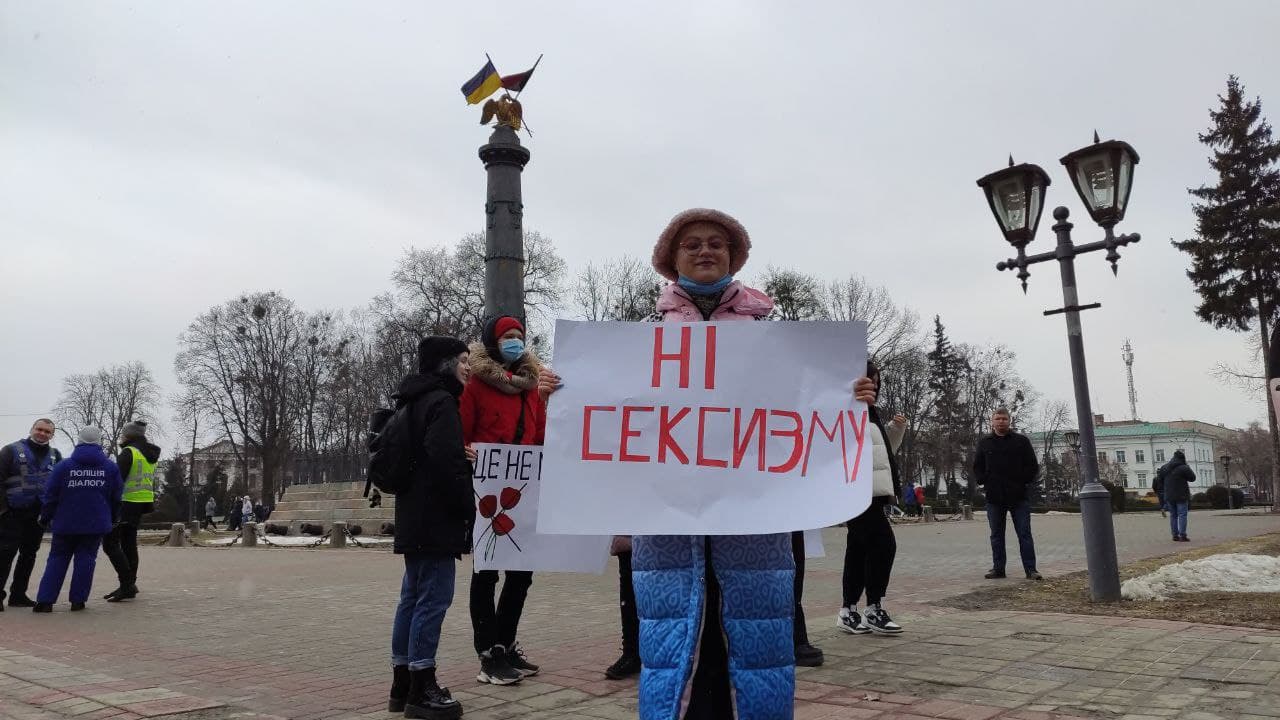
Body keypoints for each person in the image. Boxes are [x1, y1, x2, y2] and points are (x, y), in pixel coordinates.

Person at [631, 208, 878, 719]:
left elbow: (809, 399)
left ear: (733, 255)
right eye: (692, 243)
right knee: (675, 650)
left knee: (754, 647)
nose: (705, 251)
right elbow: (612, 411)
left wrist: (849, 393)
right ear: (670, 260)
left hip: (755, 525)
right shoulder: (641, 335)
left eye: (716, 243)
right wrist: (561, 394)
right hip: (670, 525)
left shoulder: (771, 330)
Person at [460, 315, 560, 686]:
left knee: (522, 573)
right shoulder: (475, 385)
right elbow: (462, 432)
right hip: (486, 491)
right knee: (486, 572)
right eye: (508, 337)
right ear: (493, 343)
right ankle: (488, 654)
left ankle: (505, 643)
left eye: (519, 335)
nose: (515, 341)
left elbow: (538, 436)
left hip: (522, 489)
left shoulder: (531, 388)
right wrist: (465, 451)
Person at [388, 336, 475, 719]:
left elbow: (427, 454)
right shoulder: (442, 402)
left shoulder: (411, 400)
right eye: (462, 359)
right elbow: (442, 463)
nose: (468, 366)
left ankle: (402, 680)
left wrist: (457, 452)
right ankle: (423, 685)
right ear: (443, 363)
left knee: (412, 598)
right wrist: (465, 507)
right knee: (433, 600)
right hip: (436, 518)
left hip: (413, 515)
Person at [838, 361, 908, 636]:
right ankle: (874, 607)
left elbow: (880, 451)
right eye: (870, 380)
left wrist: (895, 430)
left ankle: (848, 610)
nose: (875, 387)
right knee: (883, 545)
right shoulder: (846, 411)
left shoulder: (871, 412)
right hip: (856, 491)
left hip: (873, 492)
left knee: (857, 551)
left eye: (878, 383)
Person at [33, 427, 122, 613]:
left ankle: (44, 601)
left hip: (65, 522)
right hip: (96, 523)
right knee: (86, 559)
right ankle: (78, 601)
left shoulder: (64, 466)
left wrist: (45, 517)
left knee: (57, 559)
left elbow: (51, 495)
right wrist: (113, 518)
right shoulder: (110, 467)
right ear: (100, 442)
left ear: (79, 440)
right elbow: (116, 497)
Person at [0, 418, 63, 609]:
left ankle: (18, 595)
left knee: (29, 555)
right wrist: (3, 510)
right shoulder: (10, 450)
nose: (42, 433)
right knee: (4, 554)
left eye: (47, 432)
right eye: (40, 429)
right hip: (12, 513)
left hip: (38, 515)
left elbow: (58, 486)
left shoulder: (55, 455)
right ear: (32, 429)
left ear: (52, 435)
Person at [973, 408, 1042, 581]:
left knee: (1024, 533)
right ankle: (998, 569)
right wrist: (984, 480)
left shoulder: (1021, 441)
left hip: (1018, 496)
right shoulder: (985, 443)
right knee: (996, 535)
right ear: (992, 421)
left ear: (1009, 421)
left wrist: (1022, 481)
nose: (1001, 421)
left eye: (1004, 418)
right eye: (998, 418)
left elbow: (1032, 466)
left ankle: (1031, 570)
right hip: (994, 497)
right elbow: (977, 466)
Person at [102, 420, 161, 602]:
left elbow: (116, 481)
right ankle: (128, 584)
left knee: (110, 543)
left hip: (124, 503)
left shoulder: (129, 452)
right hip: (140, 503)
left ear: (128, 435)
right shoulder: (149, 454)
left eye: (123, 433)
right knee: (129, 543)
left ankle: (127, 584)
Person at [603, 535, 640, 680]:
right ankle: (631, 652)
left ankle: (634, 653)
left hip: (659, 535)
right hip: (630, 536)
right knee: (629, 594)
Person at [1164, 450, 1195, 542]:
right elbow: (1192, 478)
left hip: (1169, 495)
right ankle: (1182, 535)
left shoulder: (1165, 467)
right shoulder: (1184, 467)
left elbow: (1160, 480)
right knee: (1182, 515)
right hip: (1181, 495)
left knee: (1173, 515)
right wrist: (1187, 467)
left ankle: (1175, 535)